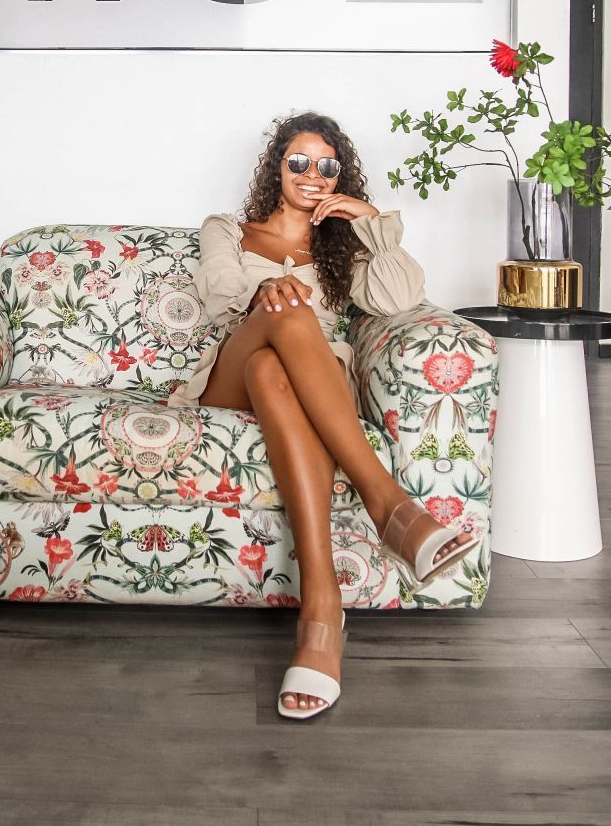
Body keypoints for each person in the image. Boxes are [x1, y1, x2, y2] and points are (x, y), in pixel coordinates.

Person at [167, 111, 479, 721]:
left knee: (274, 371)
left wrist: (373, 226)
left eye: (327, 166)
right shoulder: (230, 229)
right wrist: (265, 294)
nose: (312, 175)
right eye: (299, 162)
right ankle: (390, 505)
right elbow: (218, 294)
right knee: (282, 314)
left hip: (307, 380)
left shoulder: (343, 245)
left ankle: (320, 610)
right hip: (232, 365)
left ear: (342, 176)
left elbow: (398, 300)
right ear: (275, 167)